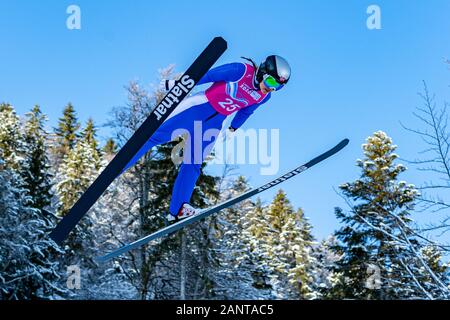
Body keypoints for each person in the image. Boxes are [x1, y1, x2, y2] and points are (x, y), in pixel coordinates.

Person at [121, 55, 291, 221]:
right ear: (262, 71)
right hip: (197, 107)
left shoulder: (264, 96)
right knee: (154, 136)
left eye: (277, 87)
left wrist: (233, 128)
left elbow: (247, 110)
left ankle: (178, 208)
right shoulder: (240, 71)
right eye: (270, 82)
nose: (271, 88)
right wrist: (179, 85)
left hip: (215, 123)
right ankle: (120, 164)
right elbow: (208, 75)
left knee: (194, 162)